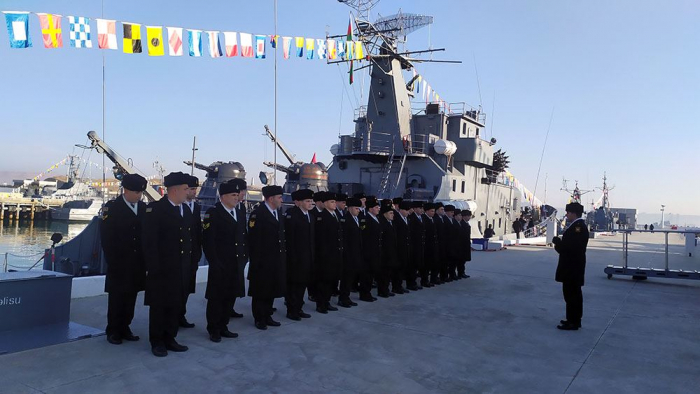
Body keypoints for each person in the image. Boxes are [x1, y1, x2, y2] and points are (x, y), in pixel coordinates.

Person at [142, 171, 193, 357]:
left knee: (175, 305)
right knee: (159, 306)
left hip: (180, 268)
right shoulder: (156, 210)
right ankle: (157, 341)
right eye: (186, 189)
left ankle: (170, 338)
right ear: (175, 190)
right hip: (162, 269)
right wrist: (154, 268)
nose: (188, 192)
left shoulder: (185, 210)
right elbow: (149, 242)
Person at [101, 173, 148, 345]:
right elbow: (106, 238)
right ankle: (113, 329)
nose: (139, 195)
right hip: (119, 262)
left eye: (141, 192)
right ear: (126, 190)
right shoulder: (112, 208)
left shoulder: (143, 208)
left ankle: (125, 326)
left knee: (131, 297)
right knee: (117, 298)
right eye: (136, 192)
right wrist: (113, 261)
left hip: (137, 263)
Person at [202, 179, 246, 342]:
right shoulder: (213, 213)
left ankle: (224, 325)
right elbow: (209, 241)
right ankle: (213, 328)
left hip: (236, 262)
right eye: (233, 195)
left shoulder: (239, 212)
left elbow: (242, 237)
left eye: (237, 194)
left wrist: (244, 256)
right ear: (223, 196)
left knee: (230, 296)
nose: (237, 197)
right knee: (216, 297)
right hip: (221, 263)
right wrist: (215, 262)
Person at [248, 185, 287, 330]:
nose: (281, 200)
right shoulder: (258, 214)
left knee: (271, 289)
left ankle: (268, 314)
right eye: (279, 197)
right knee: (260, 290)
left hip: (276, 259)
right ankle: (259, 318)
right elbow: (254, 240)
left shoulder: (278, 212)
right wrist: (257, 262)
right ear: (271, 199)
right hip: (263, 260)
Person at [552, 202, 589, 331]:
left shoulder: (578, 227)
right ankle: (572, 319)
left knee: (572, 295)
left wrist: (558, 244)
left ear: (574, 213)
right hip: (573, 266)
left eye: (568, 212)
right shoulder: (576, 226)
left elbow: (572, 248)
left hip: (572, 267)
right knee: (571, 294)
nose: (566, 215)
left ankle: (574, 321)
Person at [284, 189, 315, 321]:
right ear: (298, 202)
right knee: (294, 285)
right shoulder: (292, 215)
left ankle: (299, 308)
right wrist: (293, 257)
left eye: (311, 201)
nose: (310, 203)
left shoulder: (310, 216)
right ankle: (292, 310)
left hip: (307, 256)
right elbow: (290, 239)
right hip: (296, 257)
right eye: (307, 201)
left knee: (302, 284)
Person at [313, 192, 344, 313]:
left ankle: (327, 302)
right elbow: (321, 239)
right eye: (332, 202)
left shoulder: (335, 215)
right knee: (323, 281)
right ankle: (321, 304)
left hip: (335, 254)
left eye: (335, 202)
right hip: (326, 256)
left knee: (331, 281)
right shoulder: (322, 217)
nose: (334, 204)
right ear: (325, 203)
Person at [180, 175, 202, 329]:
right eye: (191, 189)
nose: (194, 192)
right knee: (177, 289)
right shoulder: (179, 206)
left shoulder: (196, 207)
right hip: (180, 255)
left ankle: (181, 315)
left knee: (187, 288)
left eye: (195, 189)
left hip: (192, 255)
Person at [230, 179, 249, 319]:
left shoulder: (241, 208)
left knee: (236, 282)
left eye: (241, 192)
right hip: (228, 253)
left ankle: (230, 307)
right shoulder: (222, 210)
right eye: (240, 192)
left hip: (240, 252)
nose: (241, 195)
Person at [339, 197, 362, 308]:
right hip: (348, 254)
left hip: (356, 253)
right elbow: (345, 238)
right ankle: (343, 298)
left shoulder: (357, 219)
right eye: (357, 208)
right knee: (346, 278)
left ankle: (347, 297)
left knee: (351, 277)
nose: (359, 210)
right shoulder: (346, 220)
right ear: (351, 208)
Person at [359, 198, 381, 302]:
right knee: (366, 275)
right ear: (370, 209)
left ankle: (367, 293)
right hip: (368, 252)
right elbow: (364, 236)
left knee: (371, 274)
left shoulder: (376, 218)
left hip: (375, 251)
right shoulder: (365, 219)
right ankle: (364, 294)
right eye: (376, 207)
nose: (378, 209)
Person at [377, 199, 398, 298]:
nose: (392, 215)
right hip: (384, 253)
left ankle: (386, 289)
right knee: (383, 273)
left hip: (391, 252)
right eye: (390, 213)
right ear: (385, 214)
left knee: (388, 273)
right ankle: (382, 290)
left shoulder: (390, 222)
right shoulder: (382, 223)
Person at [392, 201, 412, 294]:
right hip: (399, 248)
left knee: (402, 268)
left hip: (405, 247)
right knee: (398, 269)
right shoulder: (397, 219)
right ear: (401, 210)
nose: (408, 212)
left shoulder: (406, 219)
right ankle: (396, 287)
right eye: (407, 210)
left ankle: (399, 286)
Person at [408, 201, 427, 289]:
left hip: (420, 245)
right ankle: (411, 283)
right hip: (414, 245)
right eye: (420, 208)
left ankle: (414, 282)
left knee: (417, 264)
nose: (422, 210)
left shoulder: (421, 217)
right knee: (412, 266)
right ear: (415, 209)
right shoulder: (412, 218)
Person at [422, 203, 441, 286]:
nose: (433, 213)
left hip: (433, 245)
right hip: (427, 246)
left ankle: (433, 279)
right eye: (431, 211)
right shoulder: (424, 219)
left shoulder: (432, 219)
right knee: (426, 265)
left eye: (434, 211)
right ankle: (425, 281)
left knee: (434, 263)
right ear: (426, 211)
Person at [458, 210, 473, 279]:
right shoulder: (462, 224)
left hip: (466, 243)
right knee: (461, 260)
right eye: (468, 216)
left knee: (463, 260)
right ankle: (460, 273)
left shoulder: (466, 223)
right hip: (462, 244)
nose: (469, 217)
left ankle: (462, 272)